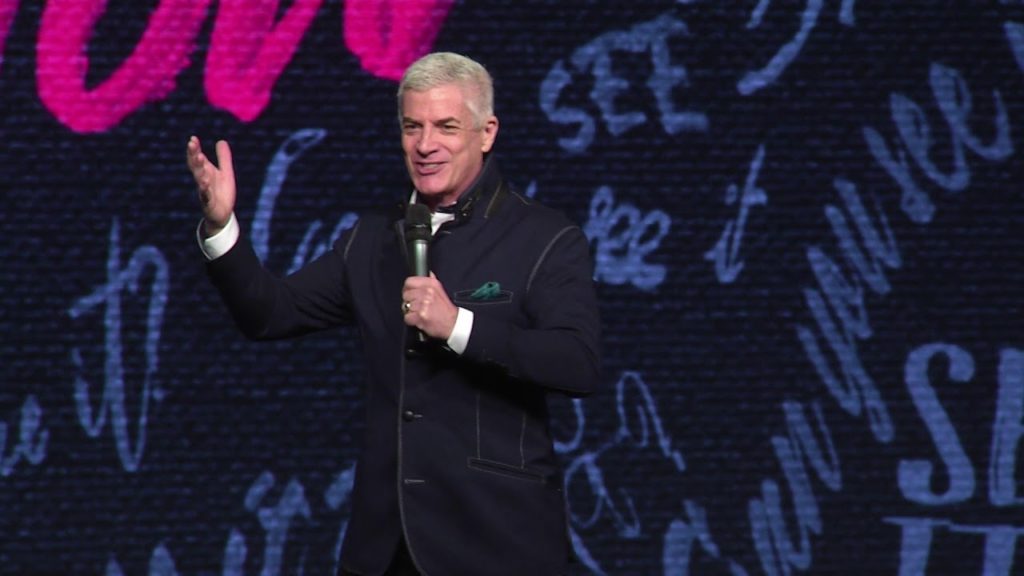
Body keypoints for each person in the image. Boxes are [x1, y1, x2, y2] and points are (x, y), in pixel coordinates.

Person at [187, 52, 601, 576]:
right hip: (384, 546)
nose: (426, 145)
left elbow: (576, 362)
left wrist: (458, 326)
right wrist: (221, 228)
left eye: (446, 127)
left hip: (497, 541)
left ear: (487, 133)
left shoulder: (543, 237)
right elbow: (269, 313)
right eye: (412, 127)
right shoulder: (372, 239)